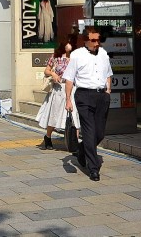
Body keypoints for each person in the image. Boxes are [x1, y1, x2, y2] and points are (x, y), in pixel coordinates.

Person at [63, 27, 112, 181]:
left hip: (101, 96)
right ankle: (93, 168)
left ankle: (82, 150)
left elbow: (108, 73)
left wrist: (108, 90)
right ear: (85, 40)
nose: (96, 43)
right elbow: (69, 79)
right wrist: (68, 99)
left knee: (99, 134)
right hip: (84, 96)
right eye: (93, 40)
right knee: (89, 132)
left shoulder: (103, 54)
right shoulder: (77, 55)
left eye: (98, 40)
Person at [36, 38, 79, 149]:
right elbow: (46, 70)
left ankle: (74, 143)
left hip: (73, 88)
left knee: (74, 115)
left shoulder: (76, 57)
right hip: (59, 89)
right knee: (54, 115)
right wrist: (53, 74)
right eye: (68, 43)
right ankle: (48, 137)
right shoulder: (56, 57)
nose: (70, 45)